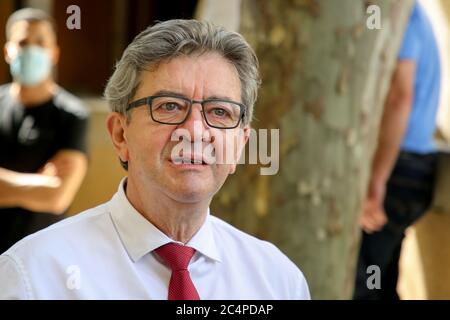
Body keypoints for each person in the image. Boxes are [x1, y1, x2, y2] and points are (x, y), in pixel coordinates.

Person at [0, 19, 310, 300]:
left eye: (219, 111)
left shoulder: (278, 282)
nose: (195, 131)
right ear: (121, 134)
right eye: (170, 106)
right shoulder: (35, 276)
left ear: (240, 145)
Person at [354, 1, 440, 300]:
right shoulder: (410, 13)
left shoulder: (399, 13)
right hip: (410, 168)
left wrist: (376, 182)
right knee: (379, 281)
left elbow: (400, 96)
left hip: (398, 170)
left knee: (363, 283)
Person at [0, 8, 89, 254]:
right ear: (8, 50)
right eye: (22, 42)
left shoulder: (72, 115)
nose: (31, 50)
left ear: (54, 53)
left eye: (40, 43)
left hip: (40, 257)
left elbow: (57, 196)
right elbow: (47, 190)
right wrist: (40, 182)